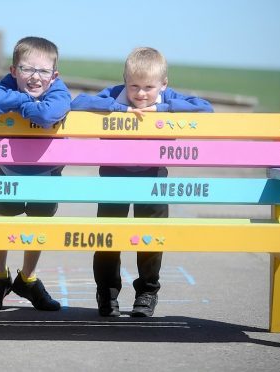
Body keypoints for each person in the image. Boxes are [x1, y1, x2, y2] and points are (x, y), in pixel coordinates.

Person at [71, 47, 213, 317]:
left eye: (149, 87)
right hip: (114, 174)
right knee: (108, 238)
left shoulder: (167, 98)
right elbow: (78, 103)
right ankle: (107, 294)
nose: (141, 94)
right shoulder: (114, 95)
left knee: (151, 236)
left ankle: (147, 292)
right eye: (134, 86)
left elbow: (205, 110)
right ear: (124, 81)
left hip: (153, 174)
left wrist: (161, 109)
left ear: (163, 84)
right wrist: (119, 109)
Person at [0, 36, 71, 311]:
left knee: (38, 224)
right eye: (27, 69)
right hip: (9, 168)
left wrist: (18, 105)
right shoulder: (6, 86)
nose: (35, 77)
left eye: (43, 71)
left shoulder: (59, 90)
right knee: (4, 219)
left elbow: (47, 115)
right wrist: (25, 101)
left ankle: (27, 279)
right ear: (14, 71)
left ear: (54, 75)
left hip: (46, 170)